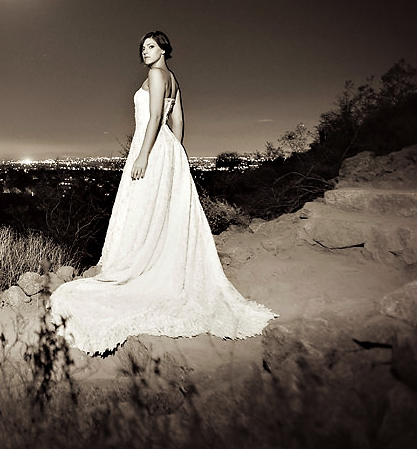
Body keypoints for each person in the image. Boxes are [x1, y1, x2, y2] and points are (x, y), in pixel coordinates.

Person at [48, 31, 276, 355]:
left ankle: (136, 263)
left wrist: (144, 154)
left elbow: (156, 117)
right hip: (167, 147)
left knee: (142, 207)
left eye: (151, 46)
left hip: (151, 146)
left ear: (164, 49)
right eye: (142, 48)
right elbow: (178, 119)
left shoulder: (156, 74)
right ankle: (149, 258)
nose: (145, 52)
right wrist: (175, 152)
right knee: (161, 211)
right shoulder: (173, 78)